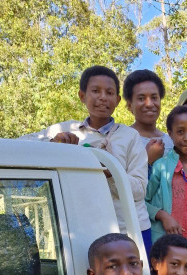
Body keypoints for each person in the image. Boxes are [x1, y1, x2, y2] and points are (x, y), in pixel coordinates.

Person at [19, 65, 151, 252]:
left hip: (130, 229)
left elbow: (139, 190)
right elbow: (21, 143)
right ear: (82, 96)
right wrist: (53, 142)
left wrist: (110, 172)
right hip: (86, 228)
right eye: (95, 91)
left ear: (117, 100)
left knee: (137, 271)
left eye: (109, 92)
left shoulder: (130, 136)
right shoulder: (68, 129)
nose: (103, 97)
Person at [145, 105, 187, 244]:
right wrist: (162, 215)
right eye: (180, 132)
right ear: (170, 134)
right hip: (162, 243)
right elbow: (141, 201)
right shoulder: (160, 167)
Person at [123, 69, 173, 167]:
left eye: (154, 97)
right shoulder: (122, 139)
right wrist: (148, 160)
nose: (149, 104)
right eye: (141, 98)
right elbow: (117, 175)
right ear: (129, 105)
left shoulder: (171, 141)